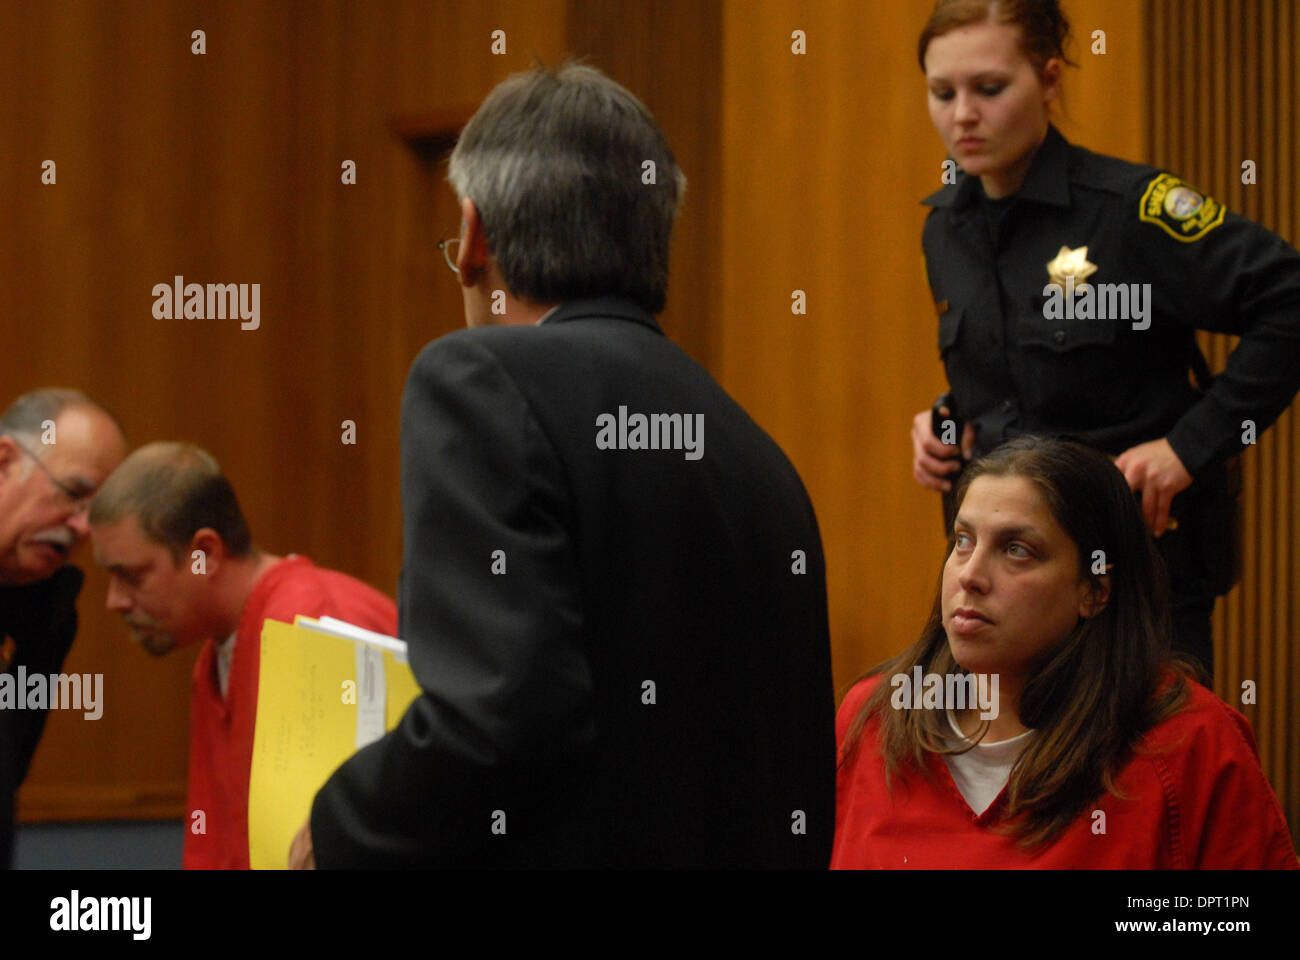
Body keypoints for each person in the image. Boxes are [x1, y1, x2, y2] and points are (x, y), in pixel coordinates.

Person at [294, 62, 835, 869]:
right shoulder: (757, 455)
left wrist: (339, 829)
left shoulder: (478, 379)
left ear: (474, 236)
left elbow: (496, 719)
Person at [907, 0, 1300, 676]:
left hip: (1130, 586)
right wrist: (946, 419)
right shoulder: (945, 229)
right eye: (943, 93)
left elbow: (1289, 302)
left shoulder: (1129, 212)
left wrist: (1188, 447)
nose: (962, 115)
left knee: (1151, 779)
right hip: (1005, 590)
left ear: (1050, 80)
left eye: (989, 89)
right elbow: (1019, 377)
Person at [834, 435, 1298, 868]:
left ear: (1093, 591)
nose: (969, 575)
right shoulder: (874, 718)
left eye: (1017, 550)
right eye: (962, 541)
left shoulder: (1190, 743)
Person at [88, 442, 396, 869]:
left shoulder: (317, 626)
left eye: (131, 576)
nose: (115, 601)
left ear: (204, 555)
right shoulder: (217, 654)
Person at [0, 388, 126, 868]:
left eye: (98, 510)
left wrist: (39, 639)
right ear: (5, 462)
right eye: (73, 493)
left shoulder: (44, 610)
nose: (83, 527)